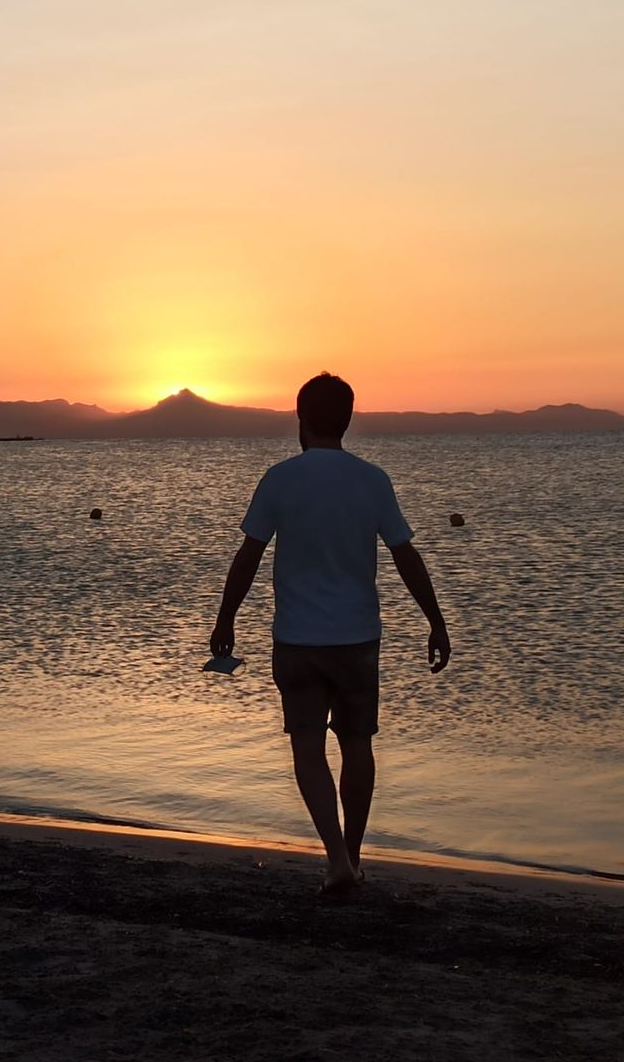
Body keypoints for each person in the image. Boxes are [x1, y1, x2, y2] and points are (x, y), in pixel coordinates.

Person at [209, 372, 451, 900]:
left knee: (308, 746)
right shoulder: (372, 480)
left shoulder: (280, 479)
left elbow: (247, 557)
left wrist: (225, 618)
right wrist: (435, 621)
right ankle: (353, 859)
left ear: (301, 418)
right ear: (348, 419)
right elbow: (404, 554)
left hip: (296, 639)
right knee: (357, 743)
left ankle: (337, 858)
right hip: (357, 638)